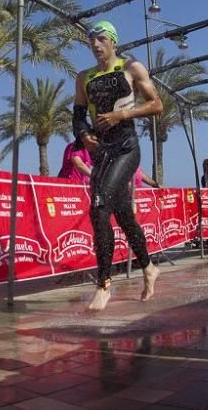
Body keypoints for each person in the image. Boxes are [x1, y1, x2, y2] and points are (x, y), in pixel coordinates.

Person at [73, 20, 163, 311]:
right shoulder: (83, 77)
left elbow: (156, 104)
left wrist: (121, 116)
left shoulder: (131, 68)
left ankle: (103, 285)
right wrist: (84, 135)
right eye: (92, 42)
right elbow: (77, 116)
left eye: (101, 40)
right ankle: (149, 268)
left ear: (113, 42)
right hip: (102, 152)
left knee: (98, 207)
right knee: (124, 217)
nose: (96, 46)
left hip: (126, 147)